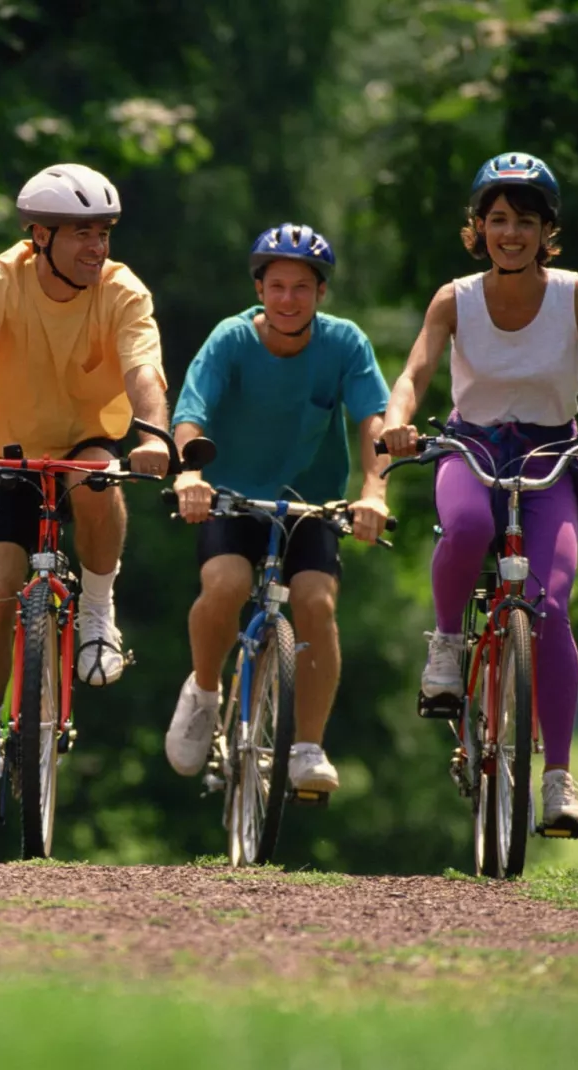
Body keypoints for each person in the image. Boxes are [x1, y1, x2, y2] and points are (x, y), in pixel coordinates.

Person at [380, 152, 578, 832]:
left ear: (546, 231)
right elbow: (414, 373)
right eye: (497, 220)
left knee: (552, 605)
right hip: (471, 447)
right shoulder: (455, 299)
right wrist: (396, 422)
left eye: (525, 222)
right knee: (468, 529)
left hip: (553, 456)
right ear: (478, 227)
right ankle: (447, 647)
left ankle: (557, 780)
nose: (510, 233)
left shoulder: (575, 295)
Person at [0, 163, 172, 819]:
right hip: (4, 445)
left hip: (86, 436)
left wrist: (155, 437)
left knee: (97, 478)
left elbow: (145, 372)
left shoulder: (122, 291)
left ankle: (96, 609)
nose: (97, 248)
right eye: (82, 234)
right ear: (40, 235)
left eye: (104, 234)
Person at [164, 223, 392, 794]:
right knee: (226, 585)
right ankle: (204, 690)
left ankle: (308, 746)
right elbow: (192, 412)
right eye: (277, 286)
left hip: (310, 504)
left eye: (302, 288)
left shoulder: (345, 343)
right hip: (230, 497)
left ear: (320, 294)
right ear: (259, 289)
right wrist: (190, 472)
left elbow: (375, 421)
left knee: (316, 602)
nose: (289, 299)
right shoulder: (230, 339)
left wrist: (374, 491)